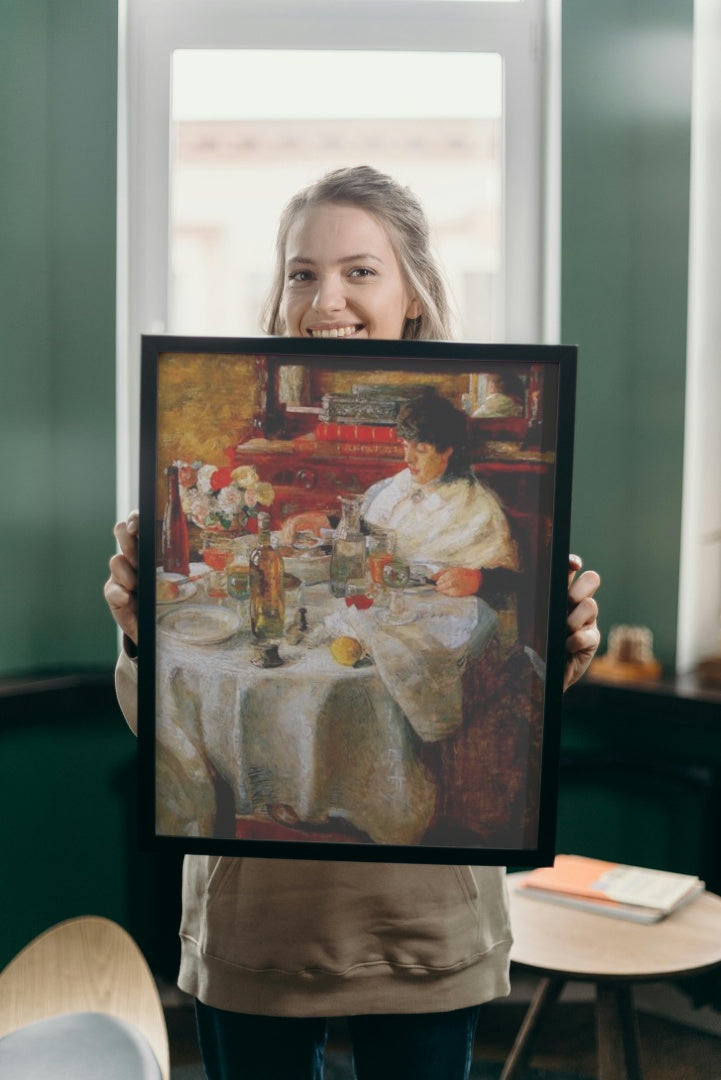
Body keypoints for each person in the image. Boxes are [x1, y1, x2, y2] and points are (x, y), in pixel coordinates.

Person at [105, 165, 601, 1080]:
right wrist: (140, 633)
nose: (324, 297)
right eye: (301, 272)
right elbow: (161, 726)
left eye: (359, 271)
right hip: (257, 924)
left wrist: (560, 646)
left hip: (420, 921)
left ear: (413, 291)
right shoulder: (378, 486)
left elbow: (504, 680)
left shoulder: (479, 503)